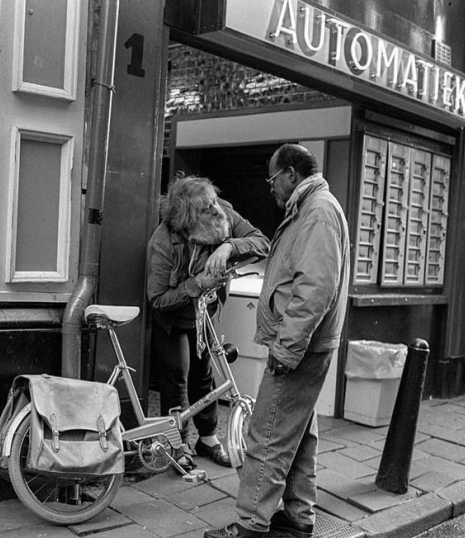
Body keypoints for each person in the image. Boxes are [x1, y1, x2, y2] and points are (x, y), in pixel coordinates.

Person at [205, 144, 349, 538]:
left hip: (299, 347)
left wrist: (286, 349)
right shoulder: (313, 208)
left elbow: (315, 288)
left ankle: (250, 524)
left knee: (266, 434)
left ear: (289, 174)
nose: (270, 188)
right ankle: (300, 516)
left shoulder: (317, 212)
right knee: (299, 433)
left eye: (272, 180)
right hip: (308, 344)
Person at [147, 175, 269, 472]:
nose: (216, 209)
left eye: (214, 200)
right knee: (177, 376)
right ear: (188, 216)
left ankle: (208, 439)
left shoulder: (223, 212)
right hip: (174, 317)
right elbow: (158, 299)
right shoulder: (163, 242)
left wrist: (228, 248)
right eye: (206, 207)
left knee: (204, 377)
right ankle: (177, 445)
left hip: (207, 314)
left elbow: (262, 242)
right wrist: (199, 283)